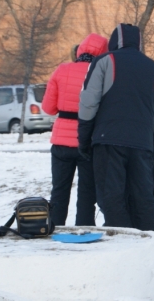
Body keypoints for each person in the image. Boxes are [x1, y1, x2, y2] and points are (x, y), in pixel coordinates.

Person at [78, 23, 154, 232]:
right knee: (143, 198)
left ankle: (122, 244)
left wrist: (84, 139)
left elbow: (88, 103)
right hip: (142, 143)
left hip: (108, 139)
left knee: (111, 198)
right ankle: (151, 245)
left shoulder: (104, 61)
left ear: (113, 41)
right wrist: (152, 143)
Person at [41, 33, 108, 226]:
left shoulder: (62, 70)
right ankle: (84, 228)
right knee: (87, 191)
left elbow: (48, 108)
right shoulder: (100, 73)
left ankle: (54, 227)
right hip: (88, 140)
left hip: (61, 141)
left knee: (59, 190)